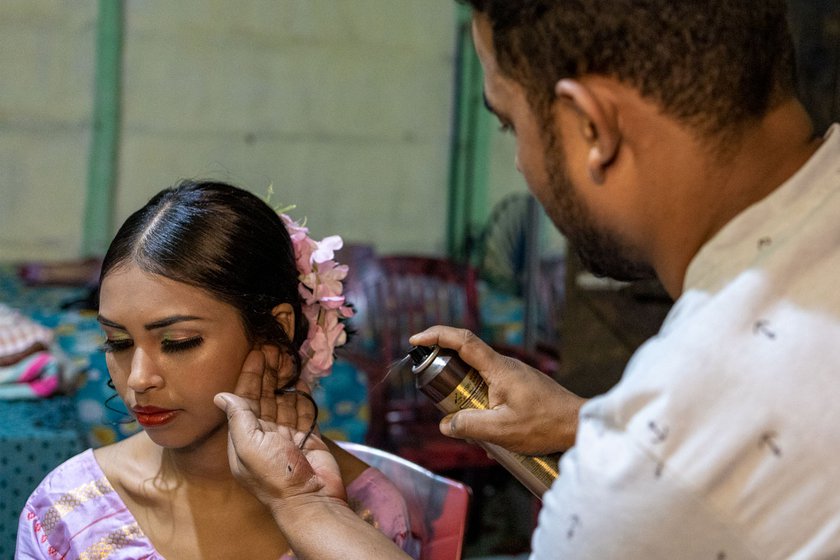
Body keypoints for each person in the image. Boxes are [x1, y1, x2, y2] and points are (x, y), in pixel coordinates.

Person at [215, 0, 840, 558]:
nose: (519, 163)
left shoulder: (668, 445)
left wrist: (303, 505)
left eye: (511, 123)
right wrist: (588, 423)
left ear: (591, 126)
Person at [16, 180, 420, 559]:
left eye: (178, 342)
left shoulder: (362, 516)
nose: (138, 379)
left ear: (277, 332)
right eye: (118, 342)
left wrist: (307, 509)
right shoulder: (66, 511)